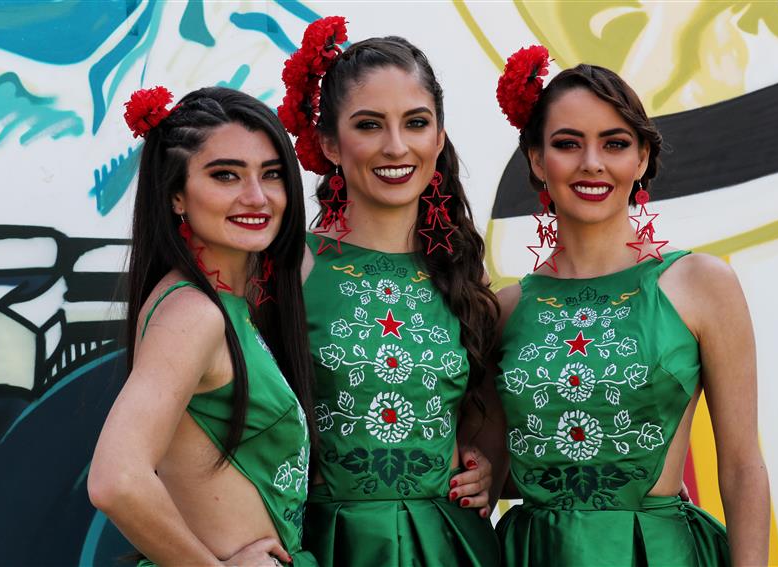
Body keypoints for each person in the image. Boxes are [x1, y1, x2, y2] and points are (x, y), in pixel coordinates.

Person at [492, 47, 770, 566]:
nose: (592, 162)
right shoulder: (505, 309)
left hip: (656, 553)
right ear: (536, 159)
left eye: (614, 143)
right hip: (533, 553)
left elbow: (741, 466)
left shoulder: (703, 284)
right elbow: (500, 457)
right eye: (567, 143)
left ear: (641, 158)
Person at [277, 17, 503, 567]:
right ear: (330, 143)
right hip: (329, 543)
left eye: (416, 122)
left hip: (449, 545)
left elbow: (482, 420)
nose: (396, 146)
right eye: (370, 125)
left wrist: (486, 470)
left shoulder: (463, 271)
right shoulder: (288, 268)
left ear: (439, 136)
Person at [88, 86, 318, 566]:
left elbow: (302, 257)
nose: (256, 197)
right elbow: (116, 479)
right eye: (225, 175)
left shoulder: (223, 300)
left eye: (271, 174)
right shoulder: (195, 314)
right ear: (176, 195)